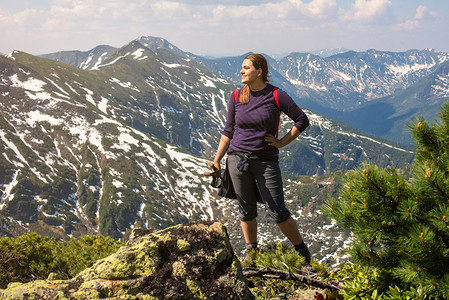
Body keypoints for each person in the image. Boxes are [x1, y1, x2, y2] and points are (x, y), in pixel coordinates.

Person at [212, 53, 311, 264]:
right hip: (237, 160)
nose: (241, 71)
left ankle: (302, 253)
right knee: (246, 210)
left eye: (246, 68)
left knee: (278, 212)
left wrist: (282, 142)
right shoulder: (237, 95)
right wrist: (218, 159)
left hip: (265, 161)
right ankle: (252, 254)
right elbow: (228, 129)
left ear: (259, 71)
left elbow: (302, 120)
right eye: (241, 67)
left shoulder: (276, 95)